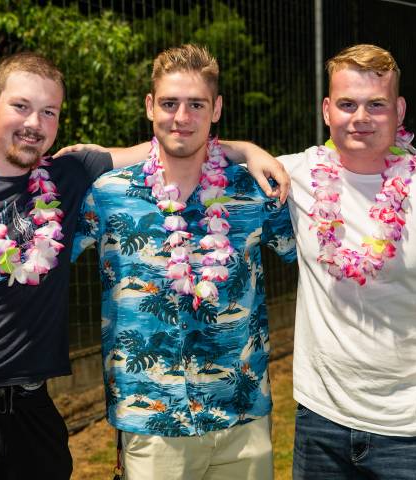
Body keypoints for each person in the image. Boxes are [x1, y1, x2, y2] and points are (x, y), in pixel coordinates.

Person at [0, 50, 289, 479]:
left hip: (36, 414)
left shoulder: (74, 180)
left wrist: (245, 150)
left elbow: (175, 142)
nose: (34, 123)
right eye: (21, 106)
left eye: (48, 112)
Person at [261, 44, 416, 479]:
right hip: (321, 426)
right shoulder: (295, 177)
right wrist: (249, 151)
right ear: (326, 110)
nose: (360, 117)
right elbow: (196, 160)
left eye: (376, 104)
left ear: (399, 110)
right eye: (347, 104)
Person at [71, 44, 296, 479]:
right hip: (153, 420)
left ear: (217, 109)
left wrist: (247, 150)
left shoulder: (254, 189)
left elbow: (317, 249)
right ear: (149, 106)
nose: (182, 117)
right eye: (170, 103)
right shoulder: (107, 193)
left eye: (196, 104)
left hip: (243, 415)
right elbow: (38, 245)